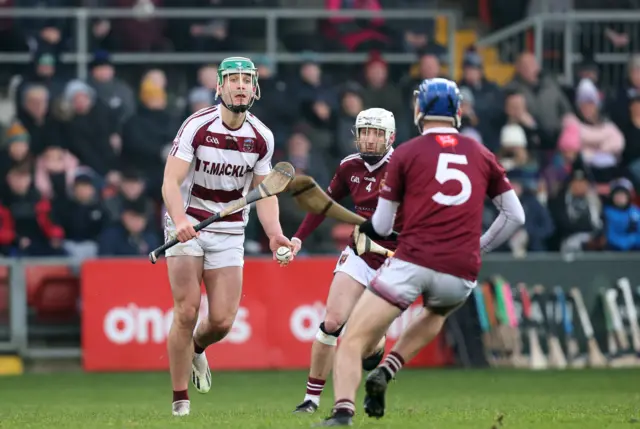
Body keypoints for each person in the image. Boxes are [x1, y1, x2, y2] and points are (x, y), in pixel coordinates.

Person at [315, 78, 526, 427]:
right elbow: (515, 215)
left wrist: (365, 230)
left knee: (352, 339)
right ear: (457, 112)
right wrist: (480, 245)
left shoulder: (407, 153)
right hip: (461, 267)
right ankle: (388, 368)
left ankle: (342, 413)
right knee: (437, 311)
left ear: (419, 110)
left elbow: (382, 226)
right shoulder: (480, 152)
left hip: (413, 259)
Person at [162, 56, 292, 417]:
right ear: (219, 86)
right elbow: (170, 182)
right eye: (232, 79)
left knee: (221, 321)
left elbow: (265, 193)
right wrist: (179, 218)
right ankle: (179, 401)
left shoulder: (261, 136)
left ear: (255, 88)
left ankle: (198, 350)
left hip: (229, 229)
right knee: (186, 311)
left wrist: (275, 235)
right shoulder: (196, 126)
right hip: (186, 222)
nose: (239, 86)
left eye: (246, 80)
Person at [291, 108, 401, 414]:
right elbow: (322, 205)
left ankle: (377, 348)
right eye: (364, 132)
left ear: (390, 137)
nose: (368, 139)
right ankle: (311, 400)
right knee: (332, 323)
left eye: (376, 133)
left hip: (393, 261)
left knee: (365, 347)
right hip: (358, 254)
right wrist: (299, 237)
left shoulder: (402, 169)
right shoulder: (348, 166)